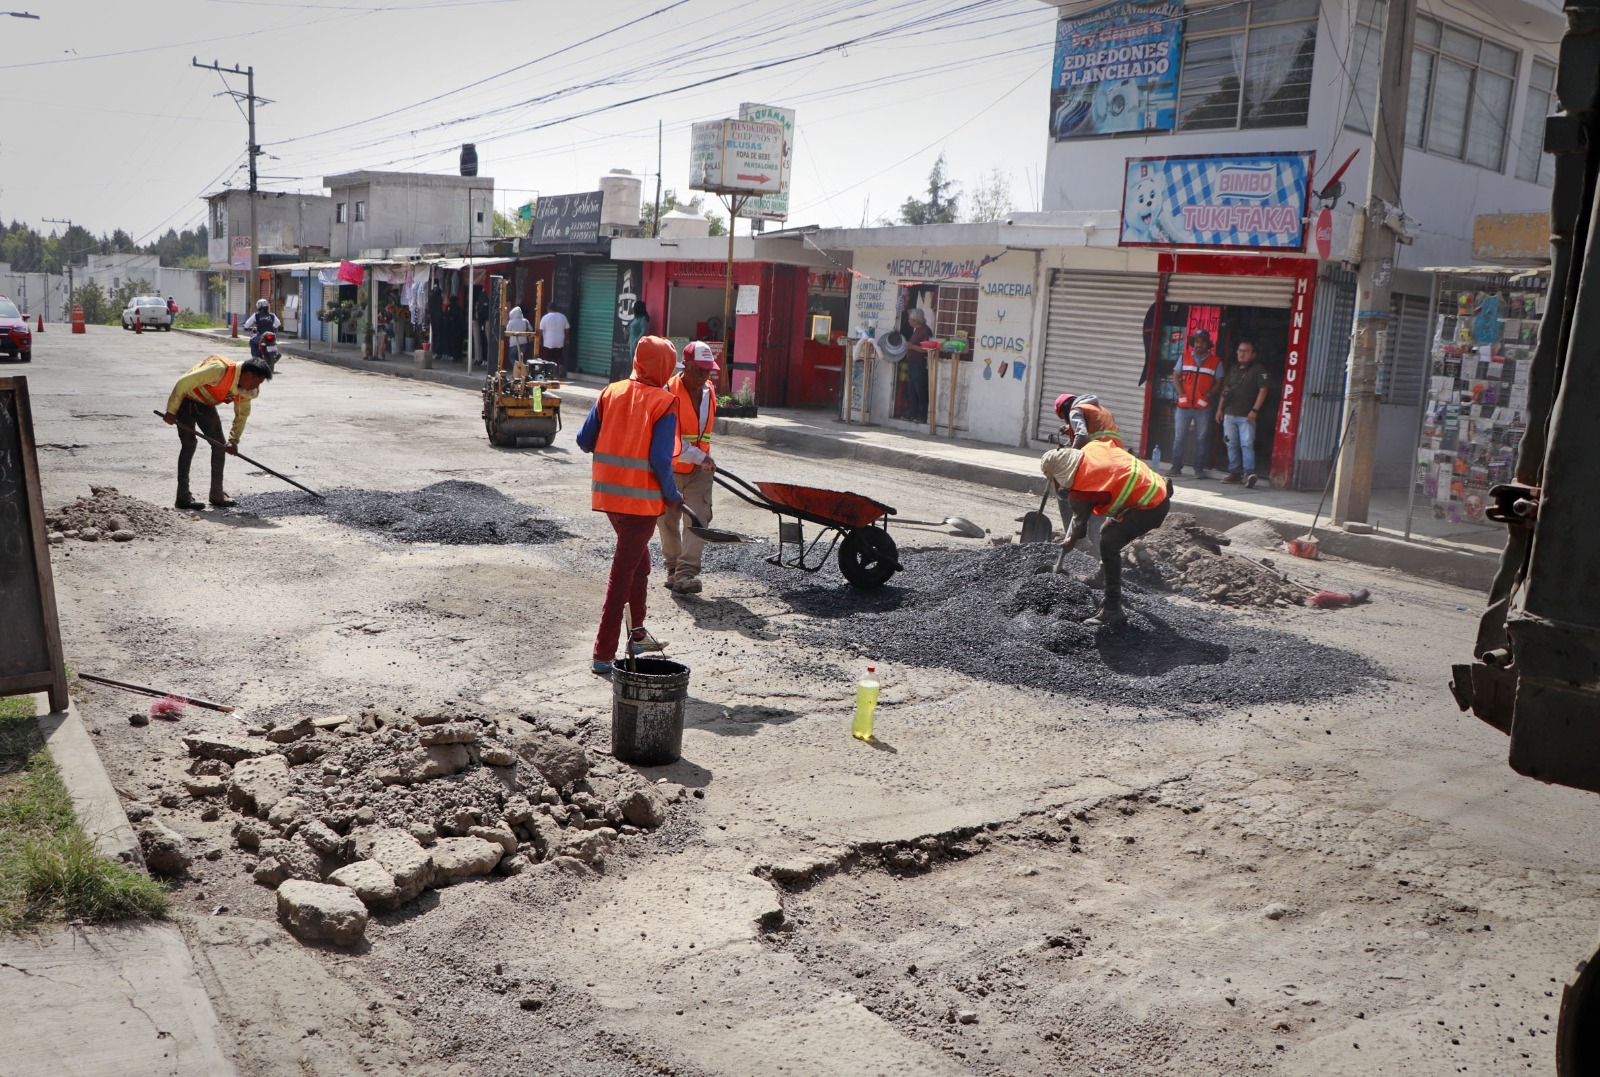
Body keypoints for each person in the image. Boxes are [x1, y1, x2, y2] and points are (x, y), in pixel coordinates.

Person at [575, 335, 683, 676]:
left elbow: (583, 440)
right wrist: (672, 496)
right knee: (623, 572)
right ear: (664, 367)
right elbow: (661, 459)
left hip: (610, 500)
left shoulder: (611, 392)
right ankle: (603, 654)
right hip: (640, 505)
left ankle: (637, 635)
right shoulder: (664, 402)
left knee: (639, 563)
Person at [1042, 438, 1172, 627]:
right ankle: (1103, 576)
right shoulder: (1094, 447)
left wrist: (1070, 540)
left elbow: (1080, 529)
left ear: (1059, 476)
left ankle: (1112, 608)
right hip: (1158, 487)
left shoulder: (1080, 493)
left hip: (1151, 506)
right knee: (1107, 530)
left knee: (1109, 543)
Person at [161, 354, 273, 510]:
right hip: (185, 400)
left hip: (205, 405)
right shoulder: (219, 370)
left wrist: (233, 441)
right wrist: (171, 411)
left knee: (220, 445)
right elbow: (182, 383)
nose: (256, 387)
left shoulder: (248, 390)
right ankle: (183, 497)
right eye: (257, 382)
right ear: (248, 375)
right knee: (189, 444)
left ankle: (217, 495)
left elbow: (242, 415)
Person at [656, 341, 721, 596]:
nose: (705, 375)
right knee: (667, 520)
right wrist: (698, 456)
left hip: (698, 472)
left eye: (709, 370)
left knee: (699, 517)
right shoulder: (667, 391)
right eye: (700, 370)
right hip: (670, 468)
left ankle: (686, 573)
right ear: (687, 365)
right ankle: (673, 568)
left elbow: (702, 434)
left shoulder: (709, 391)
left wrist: (702, 458)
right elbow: (668, 438)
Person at [1050, 392, 1122, 571]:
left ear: (1066, 410)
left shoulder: (1076, 411)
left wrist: (1069, 456)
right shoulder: (1098, 409)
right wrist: (1070, 429)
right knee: (1097, 505)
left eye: (1064, 418)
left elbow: (1082, 436)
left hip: (1098, 460)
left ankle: (1077, 540)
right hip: (1114, 460)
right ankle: (1103, 556)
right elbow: (1096, 432)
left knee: (1065, 492)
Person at [1216, 340, 1270, 488]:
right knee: (1230, 443)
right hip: (1229, 413)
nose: (1242, 354)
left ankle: (1248, 473)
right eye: (1240, 351)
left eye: (1246, 351)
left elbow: (1263, 390)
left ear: (1253, 354)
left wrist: (1255, 410)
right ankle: (1234, 473)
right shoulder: (1233, 369)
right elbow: (1225, 390)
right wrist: (1220, 409)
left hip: (1247, 416)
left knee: (1247, 444)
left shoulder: (1259, 370)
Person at [1168, 329, 1220, 479]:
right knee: (1179, 437)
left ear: (1207, 344)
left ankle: (1199, 469)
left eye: (1202, 342)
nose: (1199, 344)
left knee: (1201, 438)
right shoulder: (1184, 358)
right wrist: (1181, 394)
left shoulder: (1215, 361)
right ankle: (1176, 467)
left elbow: (1219, 382)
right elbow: (1175, 377)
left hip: (1203, 407)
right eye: (1197, 341)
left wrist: (1208, 396)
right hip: (1184, 406)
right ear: (1193, 344)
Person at [903, 308, 932, 423]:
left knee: (920, 389)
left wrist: (912, 347)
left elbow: (926, 349)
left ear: (916, 320)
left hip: (919, 364)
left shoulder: (925, 331)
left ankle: (922, 415)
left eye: (911, 319)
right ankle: (912, 413)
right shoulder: (917, 330)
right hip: (913, 363)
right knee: (912, 389)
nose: (909, 321)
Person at [539, 305, 571, 377]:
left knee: (547, 357)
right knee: (559, 356)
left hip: (548, 341)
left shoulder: (545, 317)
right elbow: (567, 329)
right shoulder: (562, 317)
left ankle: (547, 372)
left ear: (548, 309)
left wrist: (539, 340)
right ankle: (560, 366)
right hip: (559, 340)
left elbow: (540, 330)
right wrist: (566, 339)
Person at [505, 305, 533, 369]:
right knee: (521, 358)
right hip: (524, 342)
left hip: (513, 343)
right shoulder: (525, 321)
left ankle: (517, 368)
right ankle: (522, 369)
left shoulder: (511, 322)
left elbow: (507, 331)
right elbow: (531, 329)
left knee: (512, 357)